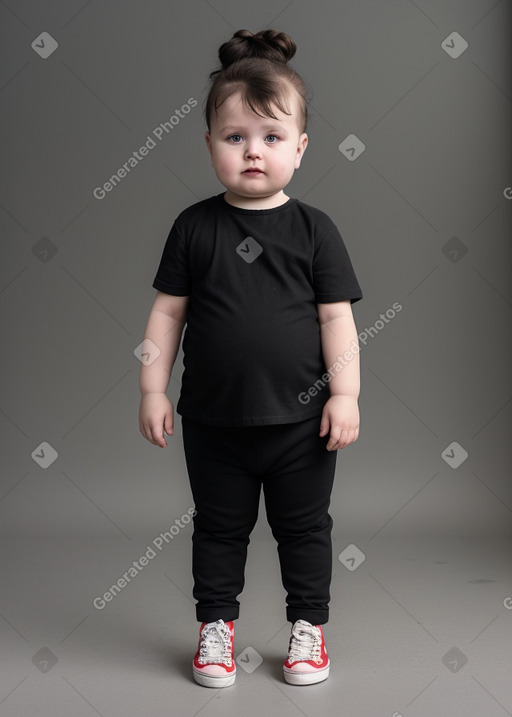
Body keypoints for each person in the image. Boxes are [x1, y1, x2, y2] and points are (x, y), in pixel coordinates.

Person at [138, 28, 363, 688]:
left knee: (304, 529)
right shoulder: (195, 227)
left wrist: (346, 394)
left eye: (269, 137)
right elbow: (166, 313)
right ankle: (216, 627)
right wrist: (153, 387)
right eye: (234, 137)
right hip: (214, 422)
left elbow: (336, 318)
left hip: (302, 424)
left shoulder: (315, 230)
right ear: (210, 145)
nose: (252, 152)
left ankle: (309, 628)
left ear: (299, 146)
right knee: (218, 529)